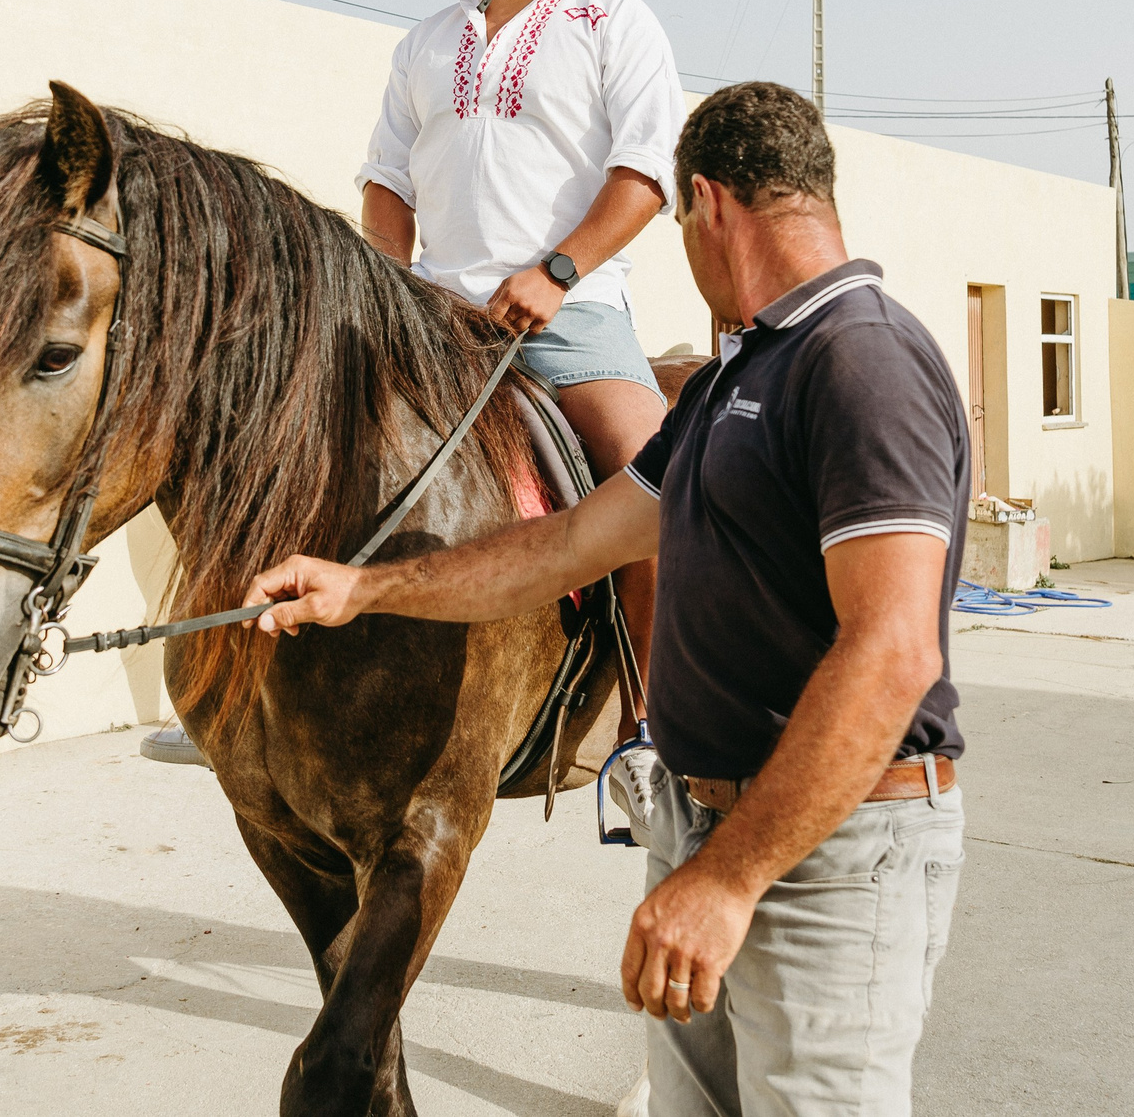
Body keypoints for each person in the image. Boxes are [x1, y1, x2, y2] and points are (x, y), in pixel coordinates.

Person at [243, 81, 970, 1117]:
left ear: (708, 204)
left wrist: (728, 878)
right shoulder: (731, 380)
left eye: (678, 223)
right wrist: (365, 584)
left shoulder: (859, 358)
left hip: (825, 853)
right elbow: (570, 543)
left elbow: (893, 651)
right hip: (714, 827)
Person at [142, 0, 684, 768]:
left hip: (571, 316)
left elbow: (642, 174)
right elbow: (386, 183)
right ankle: (234, 701)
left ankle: (649, 734)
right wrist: (387, 295)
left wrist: (558, 271)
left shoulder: (615, 21)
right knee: (282, 438)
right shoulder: (426, 43)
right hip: (433, 317)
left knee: (654, 481)